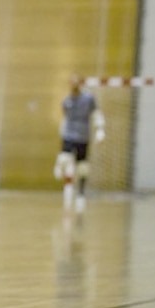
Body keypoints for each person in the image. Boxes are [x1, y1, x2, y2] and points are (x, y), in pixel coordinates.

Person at [54, 75, 105, 213]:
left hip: (83, 136)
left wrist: (100, 129)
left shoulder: (88, 99)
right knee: (65, 159)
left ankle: (81, 193)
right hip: (69, 135)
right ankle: (67, 188)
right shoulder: (67, 101)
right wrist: (62, 131)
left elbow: (96, 113)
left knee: (82, 166)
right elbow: (65, 118)